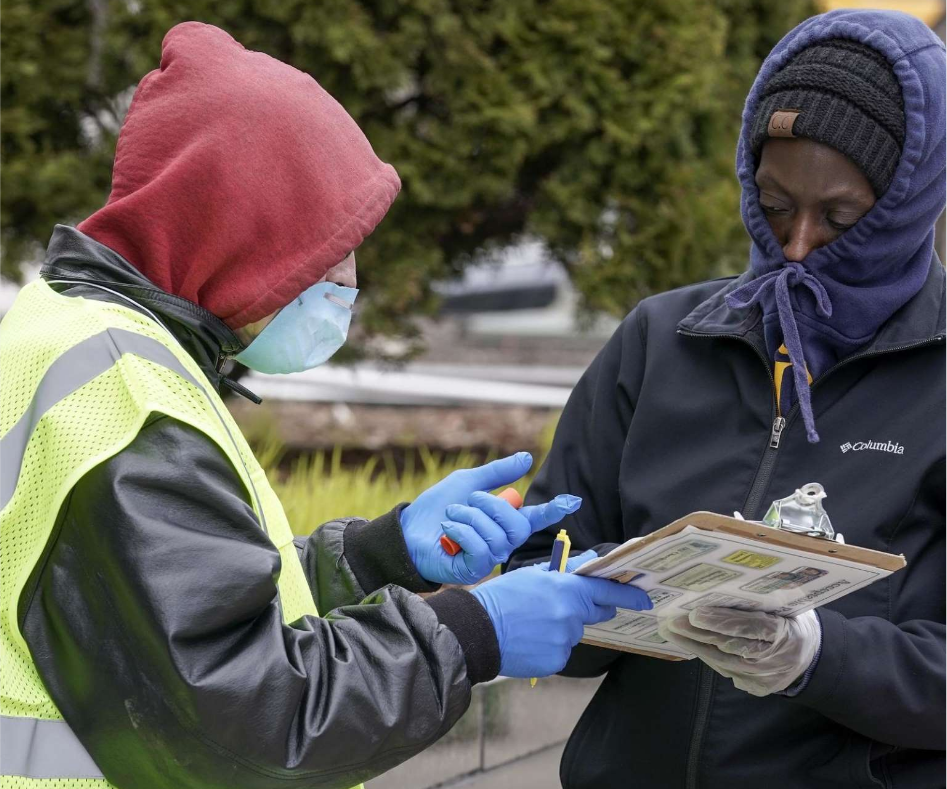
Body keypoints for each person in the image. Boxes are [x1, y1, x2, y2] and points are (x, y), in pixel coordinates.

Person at [0, 22, 652, 789]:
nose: (346, 280)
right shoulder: (128, 399)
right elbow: (257, 720)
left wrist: (382, 554)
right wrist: (476, 631)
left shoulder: (68, 322)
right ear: (243, 229)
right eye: (327, 250)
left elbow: (180, 610)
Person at [509, 9, 945, 789]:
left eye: (839, 216)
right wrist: (579, 596)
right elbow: (547, 557)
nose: (798, 244)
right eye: (774, 204)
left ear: (910, 200)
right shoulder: (659, 339)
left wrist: (815, 656)